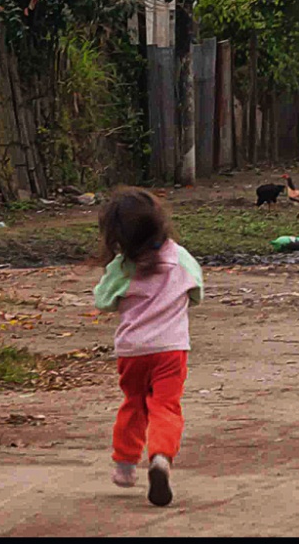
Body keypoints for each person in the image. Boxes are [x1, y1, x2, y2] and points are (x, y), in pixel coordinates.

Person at [93, 186, 203, 507]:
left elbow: (103, 301)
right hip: (171, 349)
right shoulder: (180, 257)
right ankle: (160, 458)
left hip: (132, 351)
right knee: (166, 407)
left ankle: (125, 465)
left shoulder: (122, 267)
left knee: (134, 403)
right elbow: (196, 292)